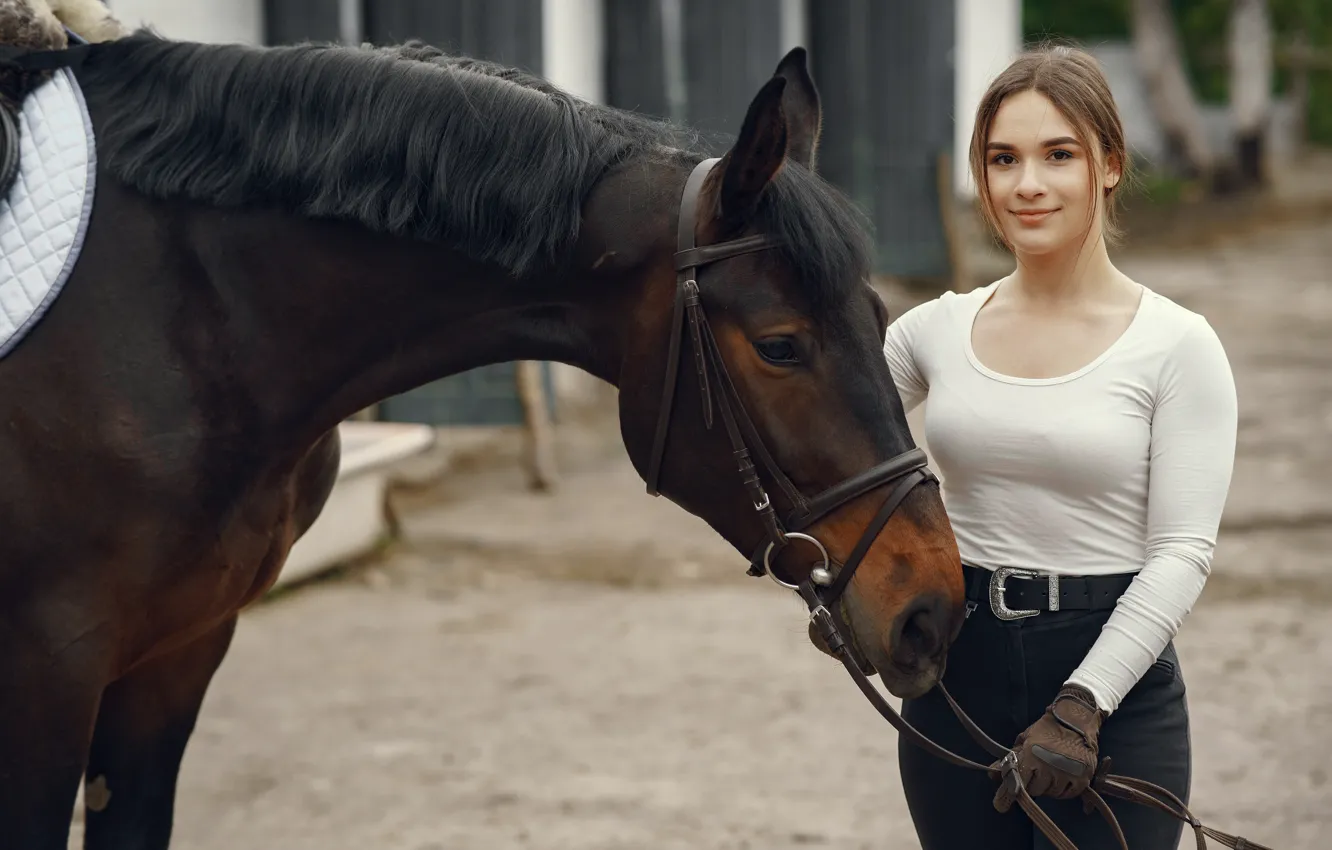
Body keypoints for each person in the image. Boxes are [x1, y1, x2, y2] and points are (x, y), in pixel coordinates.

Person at [883, 45, 1238, 849]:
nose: (1027, 184)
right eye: (1003, 159)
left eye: (1058, 155)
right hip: (956, 679)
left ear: (1109, 166)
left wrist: (1083, 705)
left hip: (1115, 687)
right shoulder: (930, 332)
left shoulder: (1177, 344)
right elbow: (822, 445)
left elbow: (1182, 551)